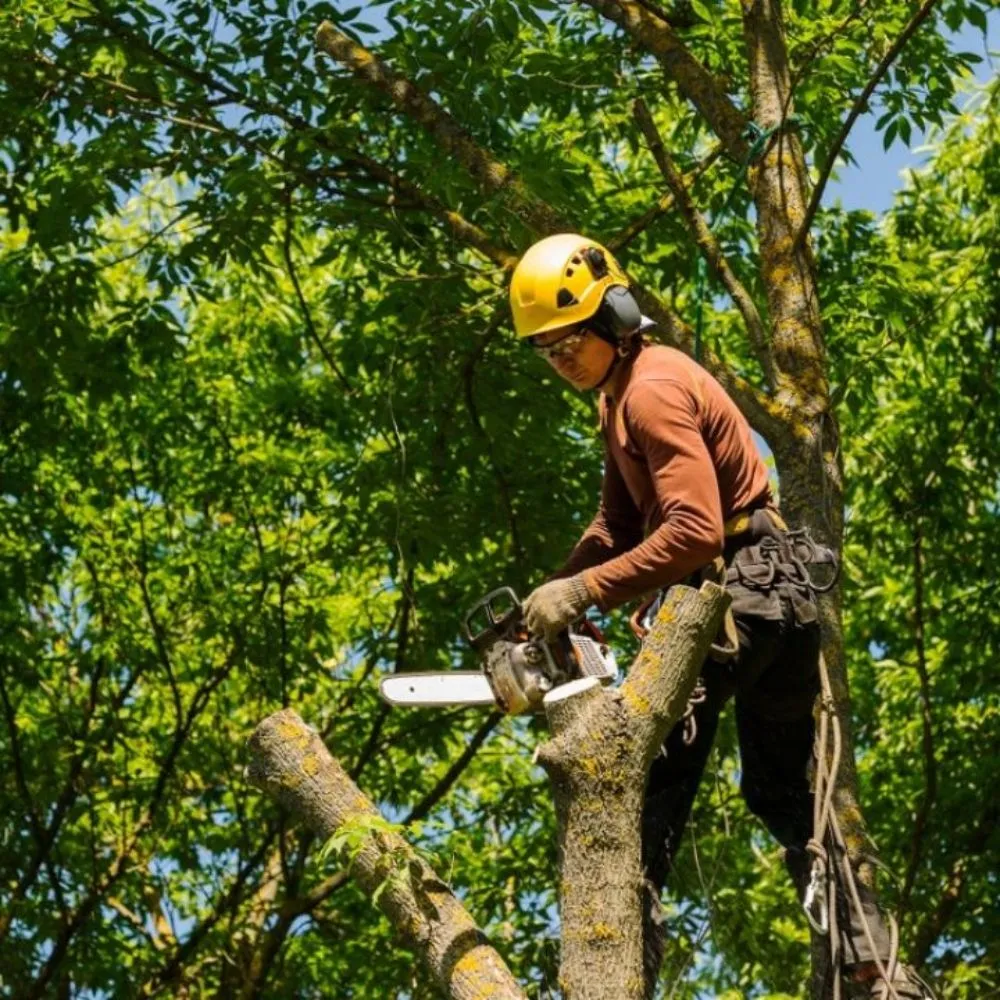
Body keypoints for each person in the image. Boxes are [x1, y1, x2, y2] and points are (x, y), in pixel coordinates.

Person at [508, 233, 934, 1000]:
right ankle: (872, 961)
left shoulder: (651, 389)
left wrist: (585, 595)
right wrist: (555, 591)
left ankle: (622, 956)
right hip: (777, 604)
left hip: (739, 600)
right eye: (545, 349)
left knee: (636, 778)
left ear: (613, 316)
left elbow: (694, 531)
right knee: (779, 792)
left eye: (569, 338)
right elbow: (616, 527)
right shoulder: (619, 398)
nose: (560, 358)